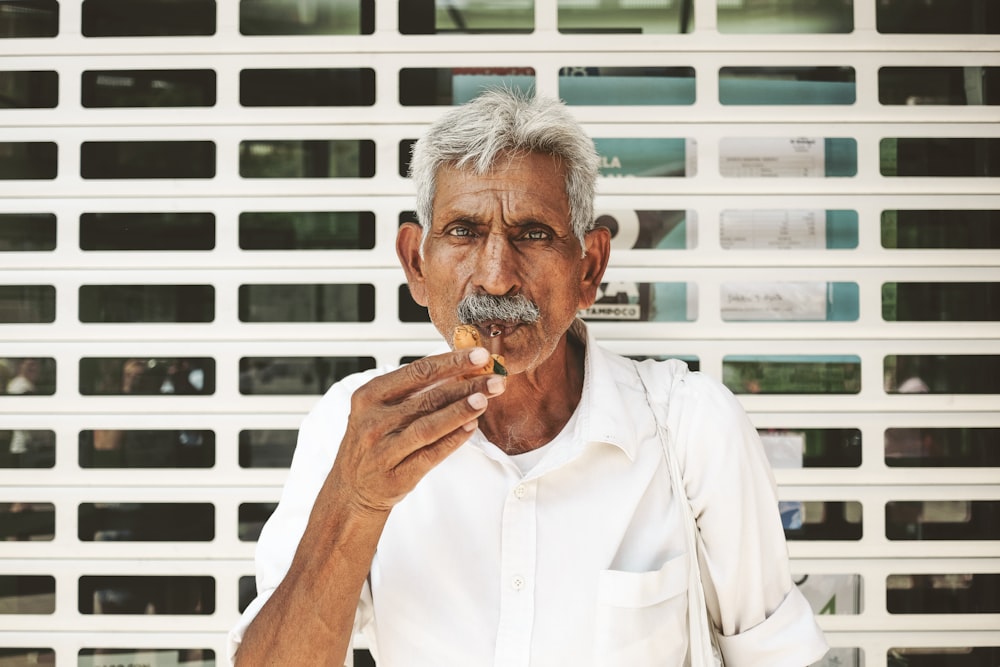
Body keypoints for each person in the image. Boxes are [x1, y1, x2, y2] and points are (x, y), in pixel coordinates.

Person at [229, 89, 828, 666]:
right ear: (416, 263)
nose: (495, 277)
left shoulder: (691, 429)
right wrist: (355, 502)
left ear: (589, 267)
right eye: (463, 232)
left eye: (533, 235)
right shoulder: (352, 425)